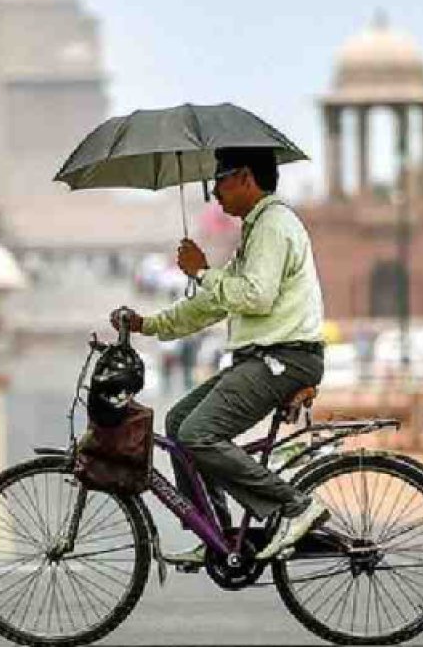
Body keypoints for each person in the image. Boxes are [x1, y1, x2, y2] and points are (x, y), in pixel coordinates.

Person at [110, 146, 327, 563]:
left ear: (245, 177)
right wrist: (148, 325)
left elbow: (255, 296)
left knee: (197, 434)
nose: (214, 193)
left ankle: (295, 507)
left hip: (283, 359)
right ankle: (217, 533)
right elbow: (213, 303)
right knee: (177, 423)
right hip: (262, 359)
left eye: (219, 181)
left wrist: (202, 272)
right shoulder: (255, 230)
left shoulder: (274, 225)